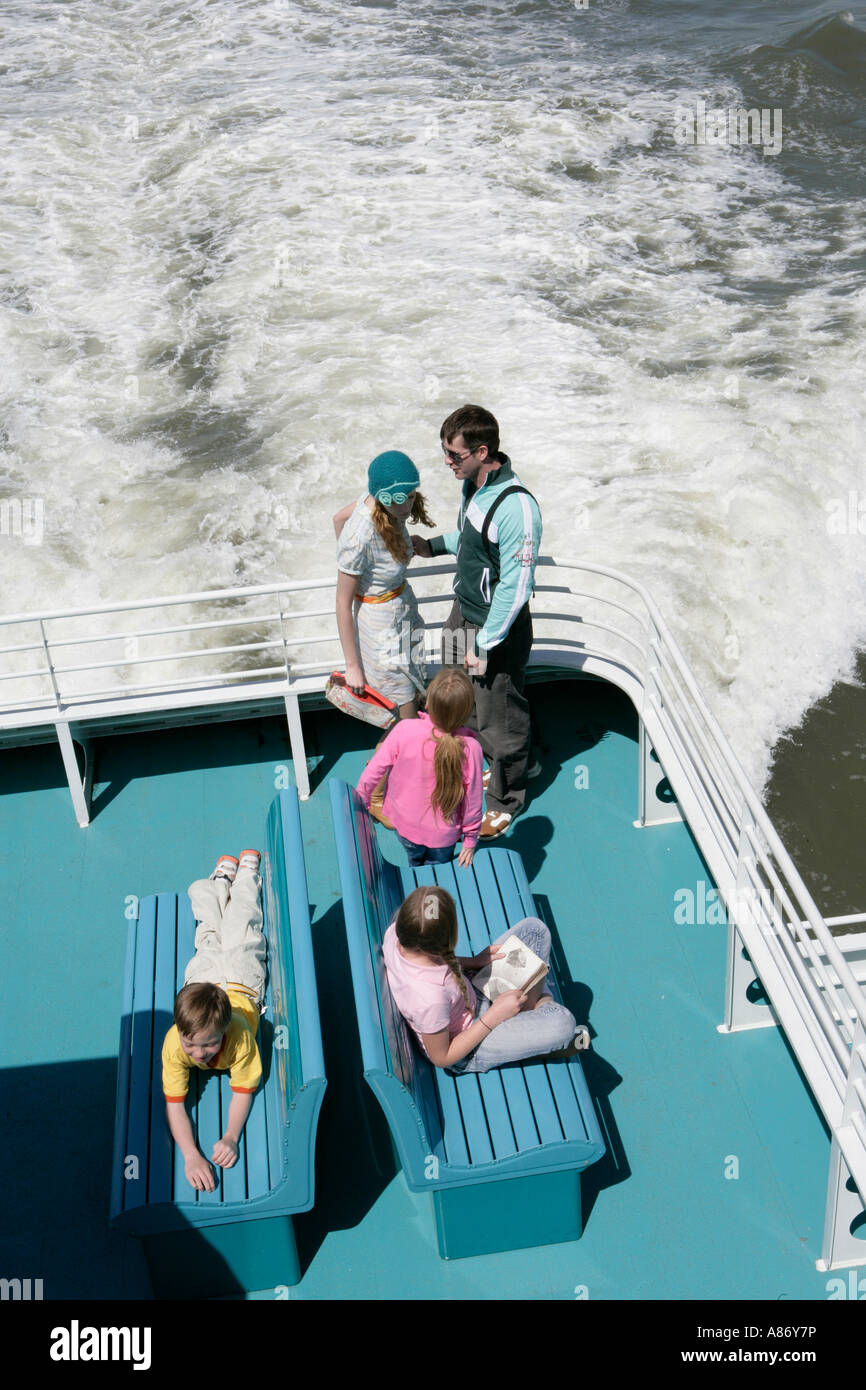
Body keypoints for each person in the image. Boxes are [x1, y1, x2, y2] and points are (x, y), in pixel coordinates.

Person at [412, 405, 542, 839]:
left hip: (495, 629)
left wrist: (484, 643)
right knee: (452, 687)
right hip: (463, 608)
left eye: (454, 455)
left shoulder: (518, 509)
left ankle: (507, 798)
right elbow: (469, 537)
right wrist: (431, 546)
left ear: (482, 451)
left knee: (498, 715)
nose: (447, 462)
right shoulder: (474, 486)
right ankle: (499, 764)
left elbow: (515, 586)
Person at [382, 885, 588, 1073]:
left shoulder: (397, 933)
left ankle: (529, 1012)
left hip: (470, 991)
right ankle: (539, 1006)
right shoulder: (429, 1001)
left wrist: (473, 961)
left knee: (535, 931)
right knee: (564, 1025)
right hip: (471, 1042)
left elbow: (430, 960)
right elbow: (441, 1057)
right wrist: (495, 1016)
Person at [162, 850, 266, 1192]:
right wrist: (191, 1154)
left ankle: (245, 873)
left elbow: (243, 1091)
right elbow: (175, 1103)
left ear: (224, 1031)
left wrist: (231, 1136)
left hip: (240, 977)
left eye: (209, 1043)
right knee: (207, 934)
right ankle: (221, 880)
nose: (198, 1053)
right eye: (191, 1042)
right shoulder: (176, 1043)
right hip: (204, 978)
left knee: (242, 923)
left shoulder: (238, 1037)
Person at [334, 450, 434, 722]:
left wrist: (396, 546)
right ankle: (408, 753)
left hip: (401, 610)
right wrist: (352, 667)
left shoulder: (374, 501)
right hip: (380, 624)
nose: (406, 508)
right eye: (399, 501)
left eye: (411, 497)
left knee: (412, 681)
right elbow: (342, 603)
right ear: (381, 496)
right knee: (401, 696)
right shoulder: (360, 536)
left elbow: (338, 518)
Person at [356, 668, 483, 867]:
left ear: (429, 701)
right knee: (437, 868)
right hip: (443, 837)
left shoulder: (404, 729)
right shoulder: (471, 748)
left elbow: (374, 771)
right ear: (466, 712)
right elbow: (472, 801)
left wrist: (361, 804)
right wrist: (470, 839)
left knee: (415, 861)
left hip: (405, 826)